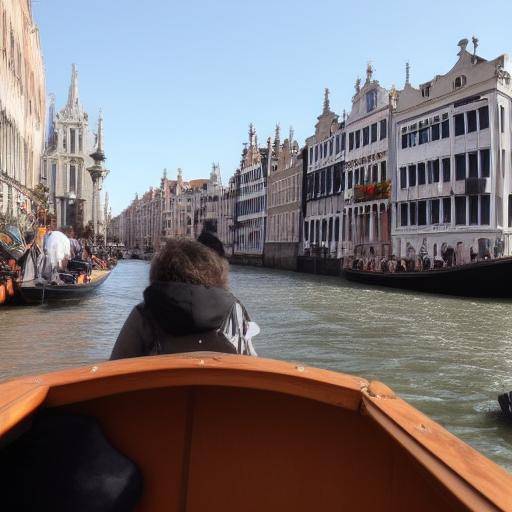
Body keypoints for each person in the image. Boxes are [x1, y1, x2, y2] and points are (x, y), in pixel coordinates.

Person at [110, 238, 258, 360]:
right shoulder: (234, 308)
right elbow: (251, 363)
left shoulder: (144, 313)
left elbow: (115, 370)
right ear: (214, 272)